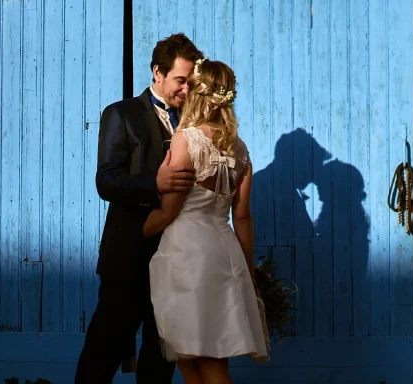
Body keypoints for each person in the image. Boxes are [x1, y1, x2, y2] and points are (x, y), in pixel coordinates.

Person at [75, 33, 204, 384]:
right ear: (157, 72)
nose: (187, 90)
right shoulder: (121, 113)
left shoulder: (195, 123)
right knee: (103, 352)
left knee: (161, 358)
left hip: (177, 256)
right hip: (129, 253)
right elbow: (107, 180)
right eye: (180, 80)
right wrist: (154, 185)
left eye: (191, 83)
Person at [143, 58, 270, 384]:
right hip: (224, 251)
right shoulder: (239, 149)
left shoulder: (186, 139)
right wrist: (249, 272)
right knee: (199, 361)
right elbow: (241, 216)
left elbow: (169, 211)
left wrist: (137, 230)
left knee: (201, 362)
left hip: (188, 254)